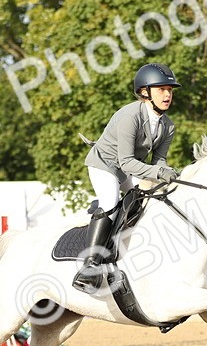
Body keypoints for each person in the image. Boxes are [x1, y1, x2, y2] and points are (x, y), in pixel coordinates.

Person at [74, 62, 182, 292]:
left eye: (169, 90)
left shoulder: (168, 126)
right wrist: (158, 172)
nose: (167, 95)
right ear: (145, 92)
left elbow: (159, 161)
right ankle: (89, 266)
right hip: (104, 164)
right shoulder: (130, 116)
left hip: (128, 169)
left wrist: (167, 175)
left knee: (153, 200)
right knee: (110, 202)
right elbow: (126, 162)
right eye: (161, 89)